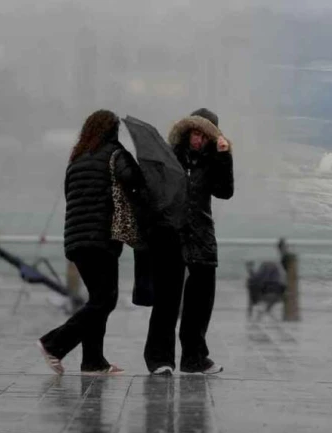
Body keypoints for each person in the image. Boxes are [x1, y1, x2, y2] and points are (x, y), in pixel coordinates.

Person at [37, 109, 147, 375]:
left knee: (97, 299)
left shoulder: (76, 159)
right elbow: (135, 182)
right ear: (112, 131)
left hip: (76, 240)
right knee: (105, 300)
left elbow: (70, 195)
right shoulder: (115, 154)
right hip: (100, 239)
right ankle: (54, 343)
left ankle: (93, 361)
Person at [144, 108, 234, 375]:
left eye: (204, 135)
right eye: (195, 133)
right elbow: (157, 192)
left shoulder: (213, 160)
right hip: (172, 235)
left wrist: (224, 156)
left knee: (200, 302)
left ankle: (194, 359)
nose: (198, 139)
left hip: (202, 235)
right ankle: (160, 359)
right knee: (167, 301)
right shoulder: (171, 157)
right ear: (187, 132)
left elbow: (225, 192)